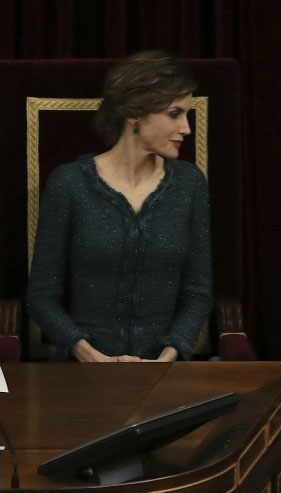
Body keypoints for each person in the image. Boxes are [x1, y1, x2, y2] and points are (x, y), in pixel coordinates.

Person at [27, 50, 212, 362]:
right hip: (82, 372)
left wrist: (168, 355)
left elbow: (198, 293)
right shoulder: (70, 184)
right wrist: (88, 354)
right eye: (174, 114)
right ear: (135, 114)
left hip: (165, 372)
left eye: (187, 115)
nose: (186, 129)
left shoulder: (189, 184)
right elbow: (42, 297)